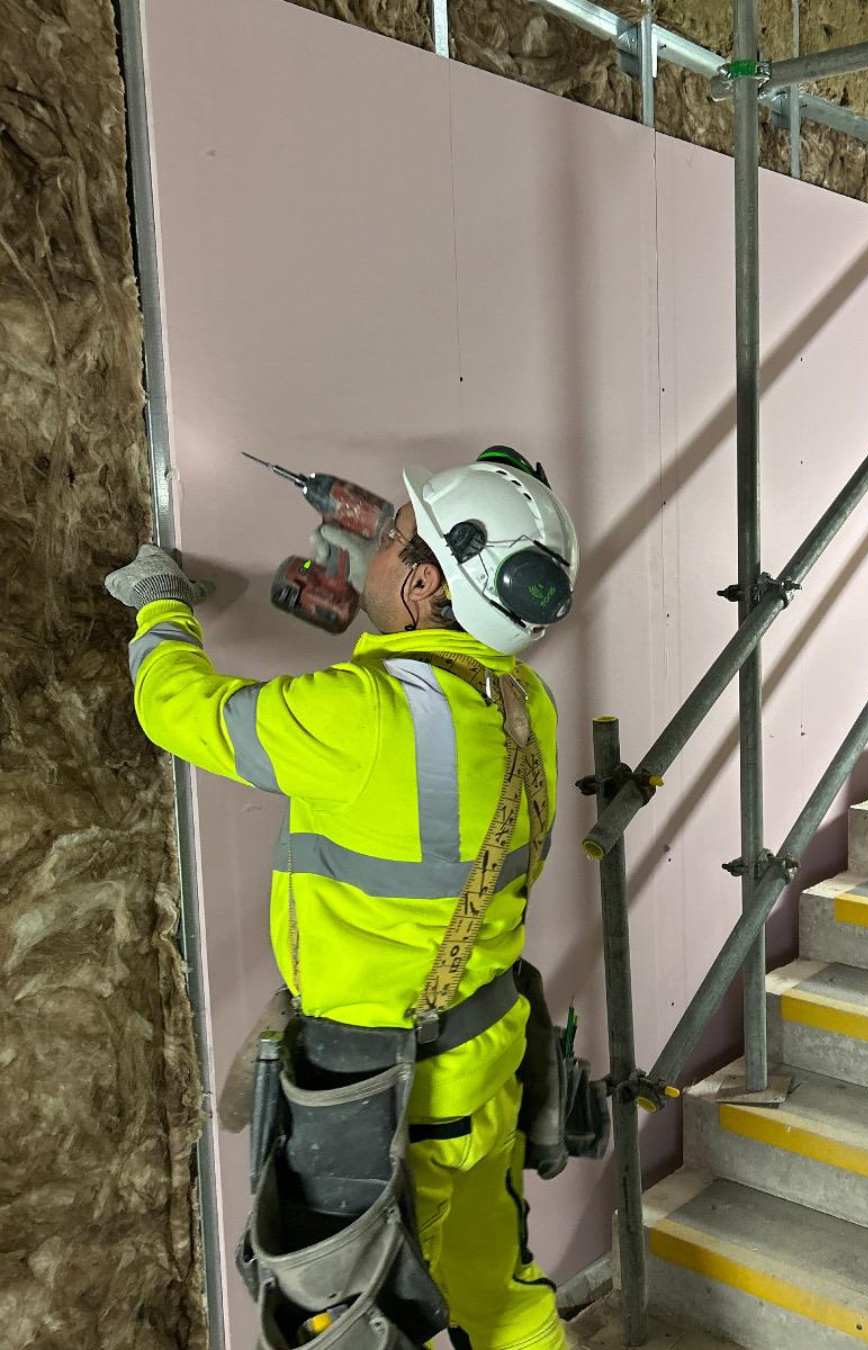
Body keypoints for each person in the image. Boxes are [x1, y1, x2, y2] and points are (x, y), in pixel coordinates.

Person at [105, 448, 579, 1350]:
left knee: (364, 1325)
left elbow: (180, 710)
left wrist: (160, 602)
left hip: (393, 1098)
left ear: (426, 584)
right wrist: (375, 608)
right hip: (490, 1057)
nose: (376, 546)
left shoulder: (360, 713)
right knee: (498, 1292)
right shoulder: (524, 699)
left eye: (392, 538)